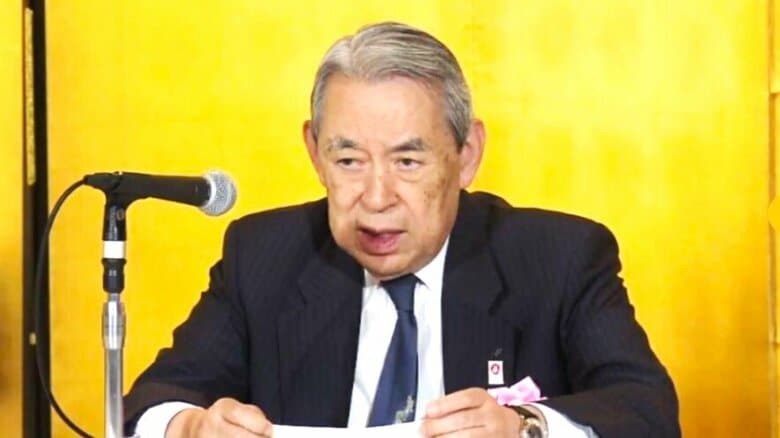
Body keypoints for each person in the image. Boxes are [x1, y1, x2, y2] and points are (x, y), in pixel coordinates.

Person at [124, 22, 680, 437]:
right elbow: (147, 406)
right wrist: (189, 427)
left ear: (466, 155)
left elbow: (648, 413)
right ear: (314, 152)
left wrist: (526, 428)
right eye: (348, 161)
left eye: (407, 162)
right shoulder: (265, 256)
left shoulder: (557, 258)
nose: (376, 197)